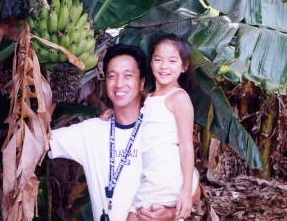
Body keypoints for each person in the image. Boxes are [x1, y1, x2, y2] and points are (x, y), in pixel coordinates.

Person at [48, 44, 185, 221]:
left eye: (128, 76)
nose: (119, 84)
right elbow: (38, 141)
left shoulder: (160, 127)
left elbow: (193, 188)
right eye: (112, 76)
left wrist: (170, 213)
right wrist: (54, 92)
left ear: (141, 83)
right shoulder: (90, 132)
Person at [127, 34, 196, 221]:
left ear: (184, 66)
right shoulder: (150, 96)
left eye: (172, 61)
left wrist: (186, 191)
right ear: (151, 62)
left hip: (165, 176)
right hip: (151, 175)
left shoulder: (178, 98)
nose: (164, 66)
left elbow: (186, 146)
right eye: (158, 59)